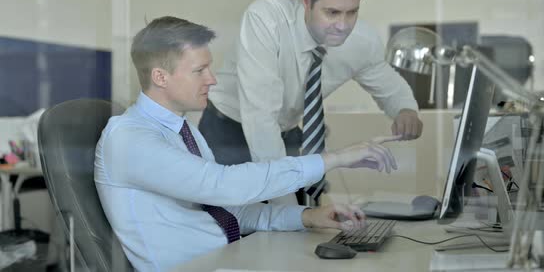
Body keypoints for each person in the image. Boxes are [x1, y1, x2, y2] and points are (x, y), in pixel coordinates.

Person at [94, 16, 399, 271]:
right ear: (160, 76)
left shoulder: (184, 130)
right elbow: (224, 186)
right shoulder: (128, 138)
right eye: (199, 70)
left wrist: (307, 216)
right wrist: (333, 158)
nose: (212, 79)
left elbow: (230, 210)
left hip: (226, 258)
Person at [199, 0, 423, 206]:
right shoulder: (266, 21)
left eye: (352, 12)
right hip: (229, 128)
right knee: (235, 221)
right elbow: (260, 117)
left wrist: (406, 110)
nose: (342, 25)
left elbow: (388, 84)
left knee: (304, 212)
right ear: (306, 0)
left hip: (286, 129)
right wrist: (288, 209)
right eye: (332, 12)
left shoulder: (361, 41)